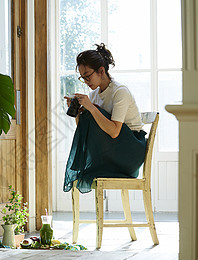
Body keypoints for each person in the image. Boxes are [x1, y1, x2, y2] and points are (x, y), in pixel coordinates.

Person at [63, 43, 147, 193]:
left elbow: (115, 131)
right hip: (113, 149)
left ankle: (78, 166)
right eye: (83, 78)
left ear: (101, 71)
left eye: (88, 76)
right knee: (90, 114)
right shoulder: (94, 94)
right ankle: (80, 167)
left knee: (94, 112)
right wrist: (78, 112)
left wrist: (91, 108)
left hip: (130, 151)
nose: (86, 82)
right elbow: (86, 129)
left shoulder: (120, 92)